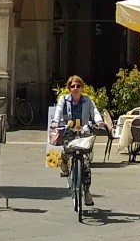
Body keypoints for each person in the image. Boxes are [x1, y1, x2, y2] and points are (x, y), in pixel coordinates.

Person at [53, 75, 105, 208]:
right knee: (66, 150)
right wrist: (55, 122)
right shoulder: (63, 100)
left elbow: (95, 111)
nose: (75, 88)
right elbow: (58, 112)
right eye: (72, 86)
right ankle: (64, 161)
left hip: (83, 134)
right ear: (69, 88)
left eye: (78, 86)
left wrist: (99, 121)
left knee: (86, 163)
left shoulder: (87, 101)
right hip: (68, 132)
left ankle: (86, 191)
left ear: (82, 87)